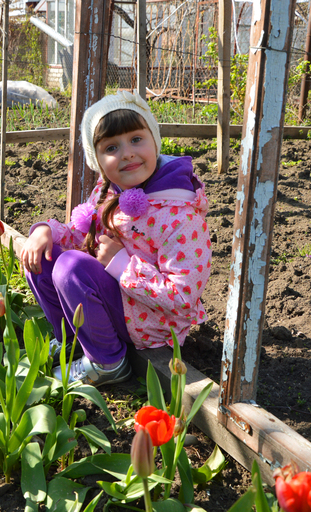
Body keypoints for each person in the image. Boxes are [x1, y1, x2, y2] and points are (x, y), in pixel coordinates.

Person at [20, 91, 212, 387]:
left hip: (152, 324)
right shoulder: (109, 190)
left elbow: (183, 299)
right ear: (96, 160)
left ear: (154, 139)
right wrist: (46, 231)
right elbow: (82, 238)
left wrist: (121, 264)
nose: (127, 153)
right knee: (43, 256)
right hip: (118, 303)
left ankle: (107, 362)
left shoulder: (181, 217)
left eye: (136, 139)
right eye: (111, 147)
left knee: (71, 267)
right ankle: (74, 344)